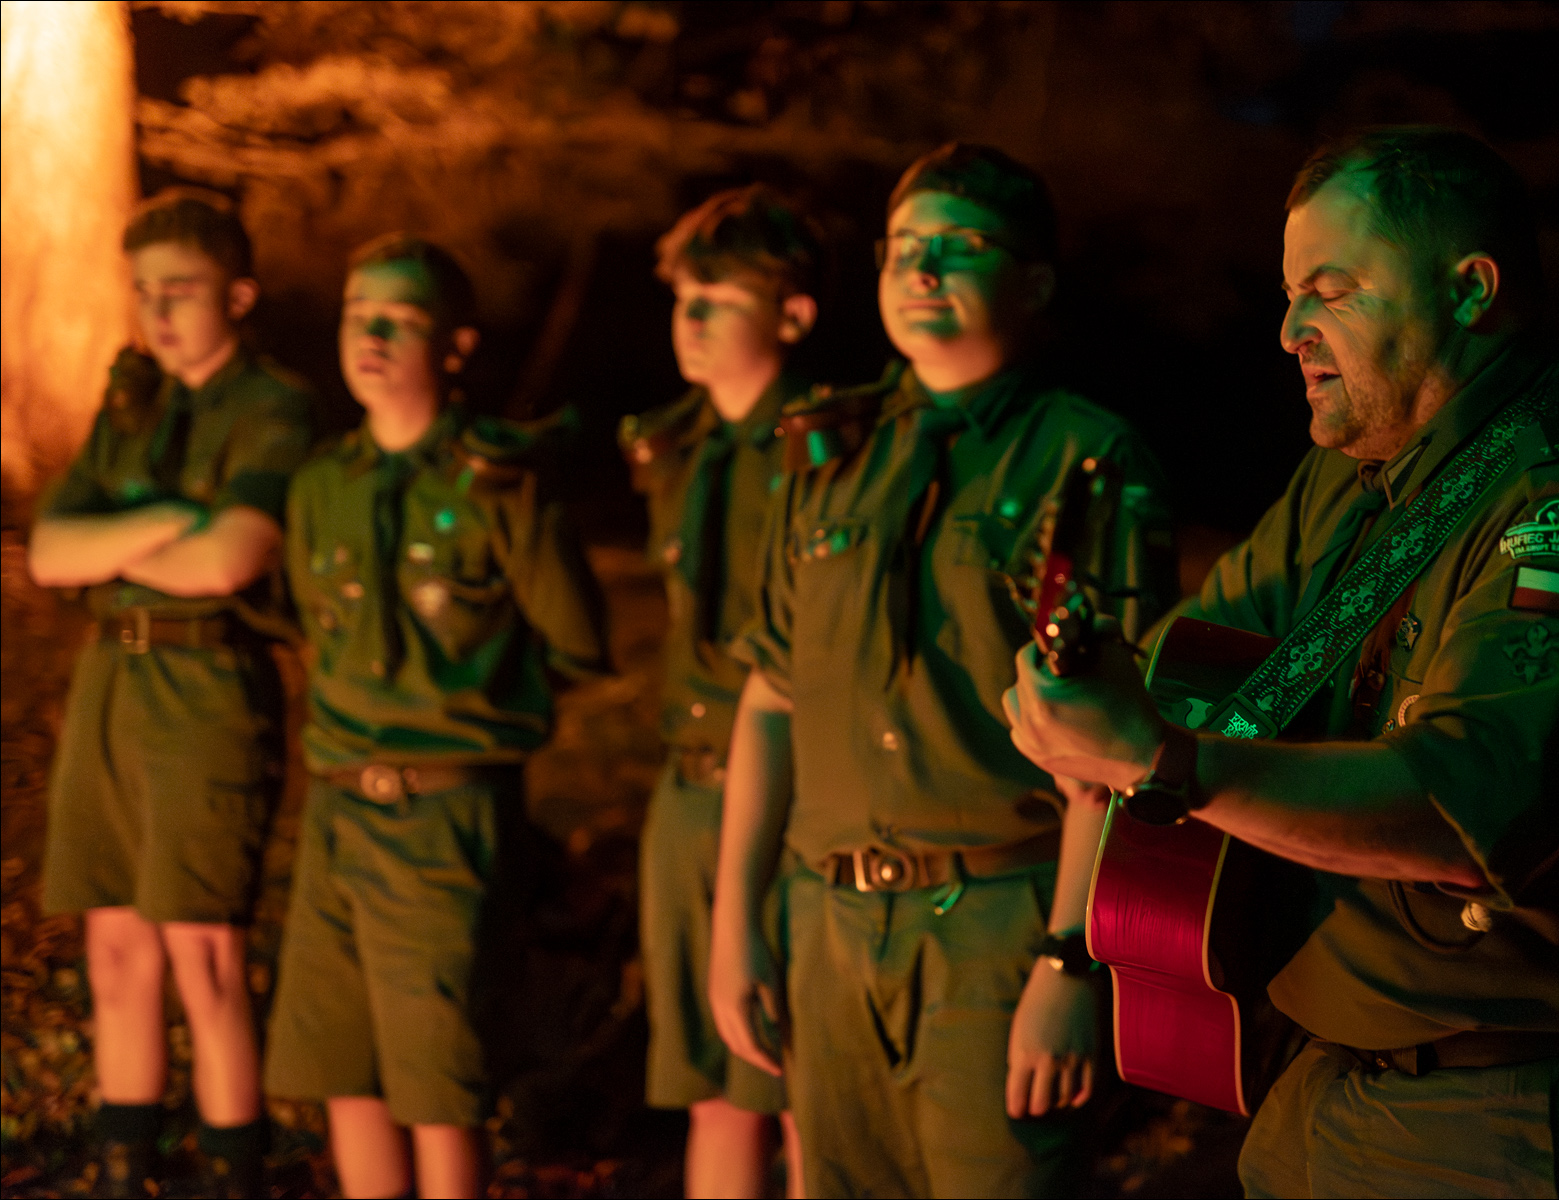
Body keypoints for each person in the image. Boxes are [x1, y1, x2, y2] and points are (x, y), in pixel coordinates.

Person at [1005, 125, 1559, 1199]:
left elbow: (1457, 812)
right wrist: (1088, 692)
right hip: (1326, 1079)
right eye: (1289, 295)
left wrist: (1168, 764)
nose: (1288, 330)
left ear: (1471, 290)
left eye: (1332, 291)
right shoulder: (1349, 484)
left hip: (1507, 1107)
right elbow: (1195, 660)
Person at [709, 143, 1178, 1198]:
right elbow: (770, 698)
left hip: (997, 924)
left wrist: (1069, 959)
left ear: (1035, 282)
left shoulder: (1085, 460)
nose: (922, 270)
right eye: (903, 248)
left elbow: (1112, 748)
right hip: (827, 920)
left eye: (960, 246)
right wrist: (736, 922)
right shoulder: (828, 453)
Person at [262, 235, 610, 1199]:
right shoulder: (321, 483)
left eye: (399, 320)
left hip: (445, 817)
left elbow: (577, 641)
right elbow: (310, 626)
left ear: (456, 345)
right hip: (338, 809)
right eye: (356, 315)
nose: (369, 337)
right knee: (347, 1072)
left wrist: (477, 713)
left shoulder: (499, 482)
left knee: (438, 1086)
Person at [28, 189, 314, 1200]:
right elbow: (48, 553)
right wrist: (171, 519)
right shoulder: (132, 408)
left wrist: (119, 543)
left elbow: (230, 559)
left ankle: (234, 1172)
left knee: (205, 955)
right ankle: (125, 1170)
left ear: (237, 295)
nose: (158, 311)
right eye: (143, 290)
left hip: (206, 686)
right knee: (114, 947)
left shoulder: (271, 406)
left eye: (181, 289)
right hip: (112, 683)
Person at [621, 185, 820, 1199]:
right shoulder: (673, 447)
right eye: (681, 299)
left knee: (795, 1081)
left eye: (720, 299)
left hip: (792, 797)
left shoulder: (827, 450)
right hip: (688, 787)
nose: (691, 320)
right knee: (707, 1078)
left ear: (792, 314)